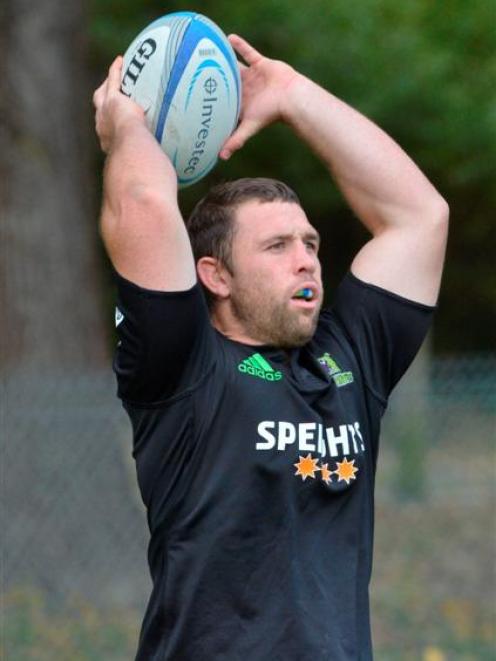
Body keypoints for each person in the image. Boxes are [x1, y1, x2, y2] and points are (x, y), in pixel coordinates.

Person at [93, 34, 448, 661]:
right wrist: (128, 124)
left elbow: (419, 216)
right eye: (277, 246)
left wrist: (292, 94)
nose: (305, 260)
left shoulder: (349, 363)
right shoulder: (182, 371)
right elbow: (145, 204)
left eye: (309, 243)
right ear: (216, 276)